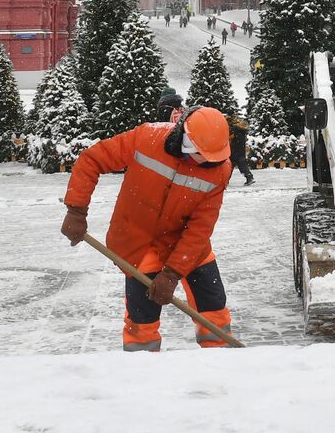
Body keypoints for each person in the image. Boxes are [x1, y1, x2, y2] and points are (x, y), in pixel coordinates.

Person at [60, 104, 234, 351]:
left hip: (188, 245)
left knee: (213, 304)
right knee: (142, 319)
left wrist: (173, 273)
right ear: (185, 139)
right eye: (201, 154)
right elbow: (93, 159)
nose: (207, 162)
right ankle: (141, 369)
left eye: (212, 157)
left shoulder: (220, 170)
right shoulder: (147, 138)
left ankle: (221, 361)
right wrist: (76, 210)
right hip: (138, 244)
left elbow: (200, 227)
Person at [228, 115, 255, 186]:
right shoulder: (242, 131)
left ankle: (225, 180)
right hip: (240, 151)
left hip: (234, 151)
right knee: (241, 165)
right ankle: (249, 177)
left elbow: (230, 138)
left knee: (229, 166)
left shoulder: (235, 130)